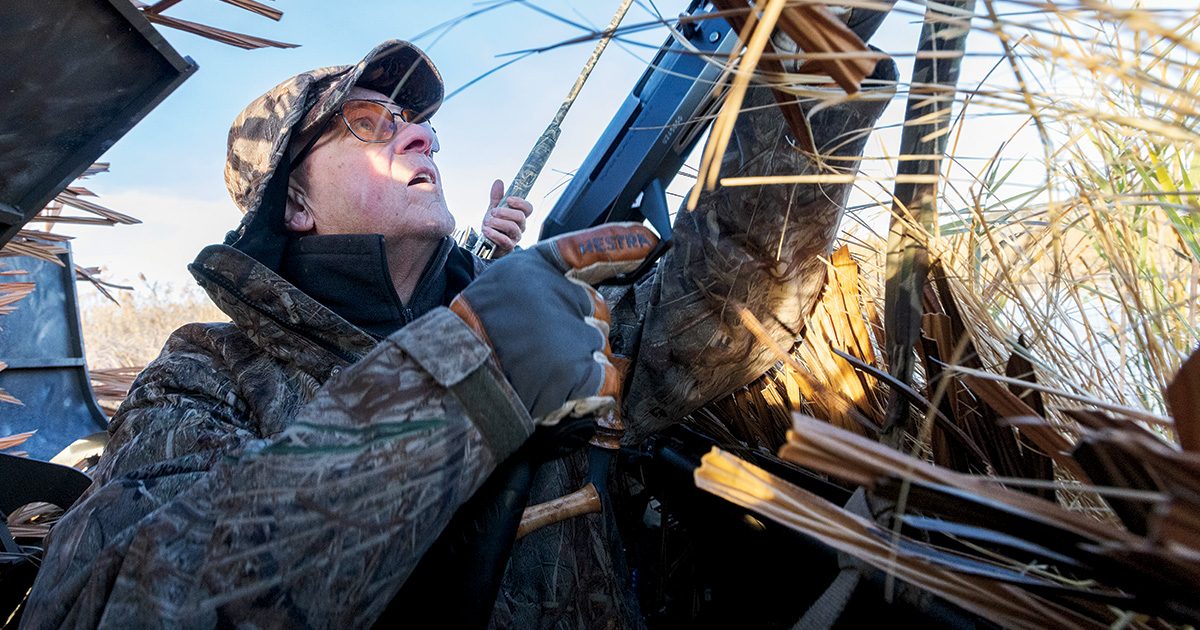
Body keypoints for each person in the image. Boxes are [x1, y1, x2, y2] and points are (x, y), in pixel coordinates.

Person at [21, 40, 659, 628]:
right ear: (296, 204)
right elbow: (105, 607)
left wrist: (760, 89)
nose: (419, 137)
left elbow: (728, 296)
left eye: (416, 121)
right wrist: (465, 381)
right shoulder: (207, 373)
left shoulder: (556, 317)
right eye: (369, 122)